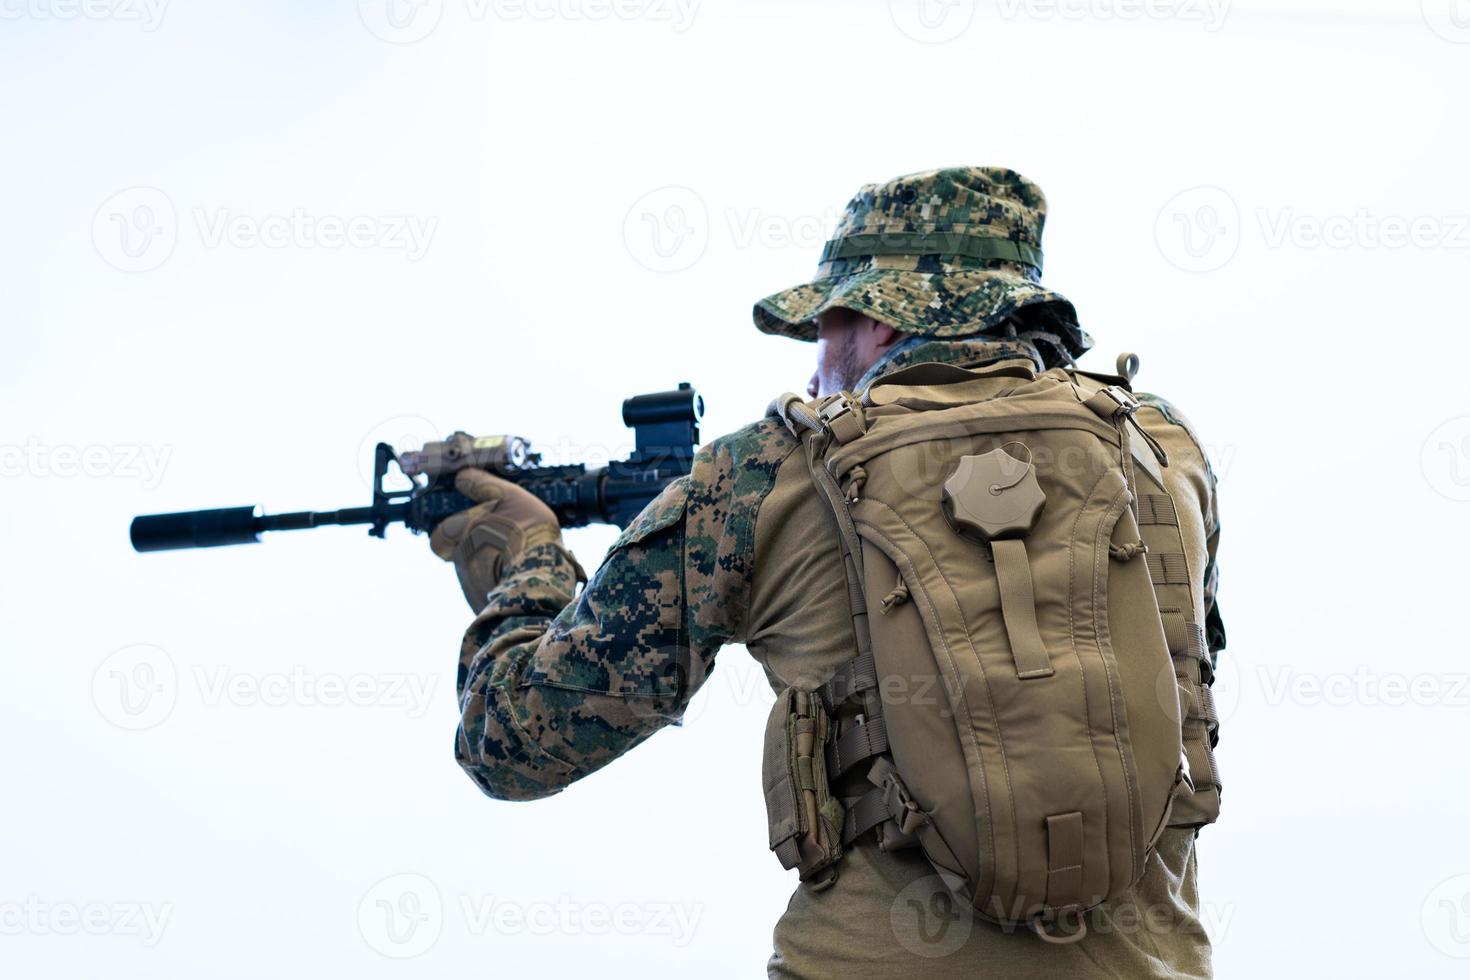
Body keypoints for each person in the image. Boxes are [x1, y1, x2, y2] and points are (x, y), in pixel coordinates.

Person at [430, 167, 1224, 978]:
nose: (813, 373)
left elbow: (512, 740)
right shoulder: (1167, 451)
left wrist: (527, 560)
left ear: (880, 320)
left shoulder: (761, 475)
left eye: (825, 328)